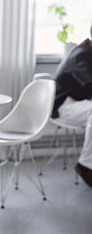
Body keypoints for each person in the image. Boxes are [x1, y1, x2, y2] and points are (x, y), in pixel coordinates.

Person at [52, 25, 92, 187]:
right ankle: (86, 165)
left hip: (79, 102)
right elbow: (90, 86)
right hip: (63, 106)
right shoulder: (81, 55)